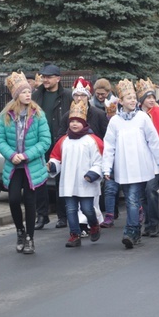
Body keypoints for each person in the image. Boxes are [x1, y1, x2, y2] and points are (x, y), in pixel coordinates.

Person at [102, 79, 159, 249]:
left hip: (140, 166)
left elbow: (153, 140)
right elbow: (109, 146)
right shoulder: (115, 122)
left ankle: (130, 231)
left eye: (133, 97)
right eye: (128, 97)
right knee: (133, 200)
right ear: (121, 101)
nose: (132, 100)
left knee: (132, 199)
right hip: (123, 168)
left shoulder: (142, 117)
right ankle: (136, 230)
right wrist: (106, 166)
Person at [0, 72, 51, 255]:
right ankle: (19, 230)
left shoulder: (38, 114)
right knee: (12, 200)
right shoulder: (7, 115)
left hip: (31, 166)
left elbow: (45, 141)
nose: (28, 94)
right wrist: (12, 155)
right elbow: (0, 140)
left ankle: (29, 238)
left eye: (29, 91)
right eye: (24, 92)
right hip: (13, 166)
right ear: (16, 95)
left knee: (30, 201)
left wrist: (26, 155)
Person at [48, 98, 103, 248]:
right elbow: (56, 157)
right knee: (71, 209)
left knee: (87, 209)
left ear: (84, 123)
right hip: (68, 182)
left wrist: (93, 173)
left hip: (86, 182)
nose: (74, 124)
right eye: (72, 121)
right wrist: (52, 166)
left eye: (78, 121)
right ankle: (74, 234)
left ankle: (94, 224)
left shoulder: (92, 140)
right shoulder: (64, 141)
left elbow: (99, 160)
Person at [32, 63, 73, 229]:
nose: (45, 79)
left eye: (49, 77)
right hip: (40, 144)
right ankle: (42, 215)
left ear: (58, 78)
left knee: (60, 180)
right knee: (39, 180)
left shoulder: (67, 96)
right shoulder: (36, 96)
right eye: (44, 76)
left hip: (60, 142)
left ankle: (62, 216)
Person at [137, 78, 159, 238]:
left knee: (151, 190)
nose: (151, 100)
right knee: (143, 193)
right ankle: (148, 224)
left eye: (152, 97)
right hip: (140, 159)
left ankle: (154, 224)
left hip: (154, 160)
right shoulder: (136, 115)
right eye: (148, 97)